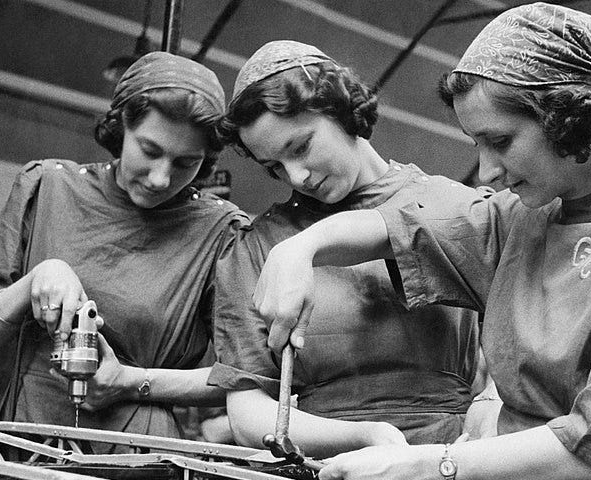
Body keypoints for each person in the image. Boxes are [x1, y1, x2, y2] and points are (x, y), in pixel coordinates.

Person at [249, 4, 591, 480]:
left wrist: (430, 464)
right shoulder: (516, 219)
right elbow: (401, 225)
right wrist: (300, 249)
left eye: (500, 141)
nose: (487, 171)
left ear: (568, 118)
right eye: (475, 144)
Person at [206, 40, 492, 457]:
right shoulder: (257, 245)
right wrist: (364, 437)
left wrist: (489, 413)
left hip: (451, 456)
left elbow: (527, 353)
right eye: (274, 167)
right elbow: (249, 413)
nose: (297, 176)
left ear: (342, 111)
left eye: (300, 147)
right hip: (326, 463)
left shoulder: (455, 206)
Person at [0, 51, 249, 439]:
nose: (160, 178)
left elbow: (243, 377)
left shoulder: (221, 232)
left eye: (187, 163)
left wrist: (131, 381)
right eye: (149, 151)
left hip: (137, 452)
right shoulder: (47, 188)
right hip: (23, 434)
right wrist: (35, 280)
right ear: (120, 127)